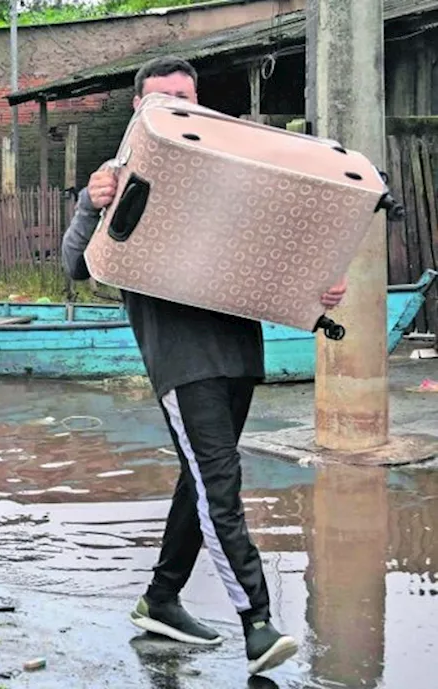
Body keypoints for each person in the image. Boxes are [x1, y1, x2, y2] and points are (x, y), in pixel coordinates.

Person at [61, 55, 348, 676]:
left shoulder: (231, 173)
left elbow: (281, 251)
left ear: (200, 104)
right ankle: (257, 621)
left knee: (200, 482)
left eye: (184, 96)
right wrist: (89, 203)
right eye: (161, 96)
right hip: (181, 358)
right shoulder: (118, 180)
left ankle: (162, 599)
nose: (173, 105)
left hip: (239, 353)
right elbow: (76, 265)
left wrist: (320, 288)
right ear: (139, 106)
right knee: (220, 483)